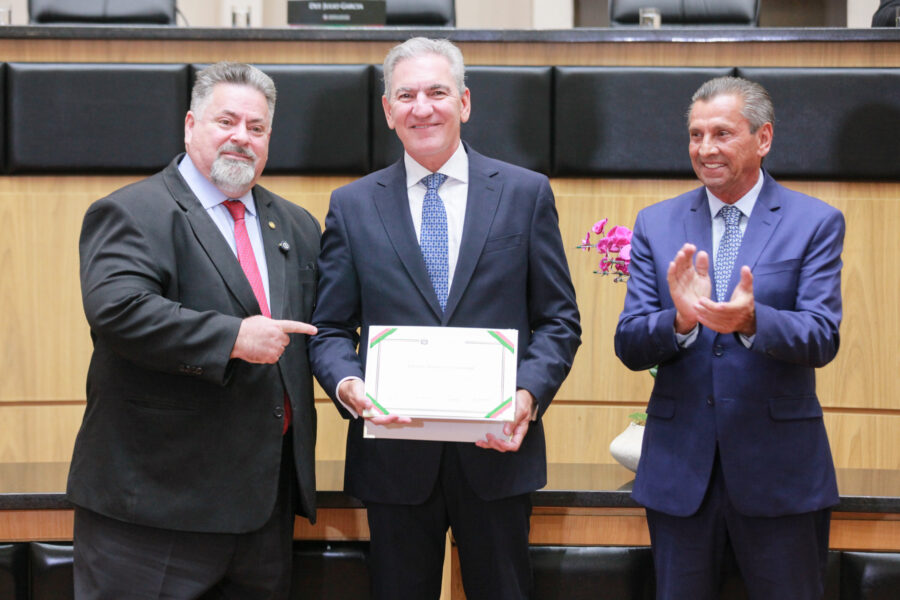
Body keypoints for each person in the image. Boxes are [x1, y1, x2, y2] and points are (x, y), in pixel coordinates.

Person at [308, 37, 581, 599]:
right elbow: (331, 329)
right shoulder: (352, 205)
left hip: (497, 454)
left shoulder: (525, 194)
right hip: (393, 459)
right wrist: (349, 385)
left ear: (465, 102)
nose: (422, 107)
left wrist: (527, 395)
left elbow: (558, 320)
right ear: (387, 110)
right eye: (405, 95)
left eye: (437, 91)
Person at [68, 61, 321, 599]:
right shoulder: (132, 211)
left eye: (256, 128)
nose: (241, 138)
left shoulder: (296, 224)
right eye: (225, 121)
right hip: (154, 513)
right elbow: (119, 310)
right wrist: (232, 338)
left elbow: (324, 330)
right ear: (189, 125)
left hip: (263, 513)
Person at [615, 76, 844, 599]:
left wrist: (752, 320)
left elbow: (821, 335)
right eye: (696, 135)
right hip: (680, 477)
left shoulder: (814, 222)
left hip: (780, 474)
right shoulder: (657, 223)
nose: (705, 148)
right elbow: (629, 341)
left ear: (763, 139)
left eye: (722, 133)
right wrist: (679, 322)